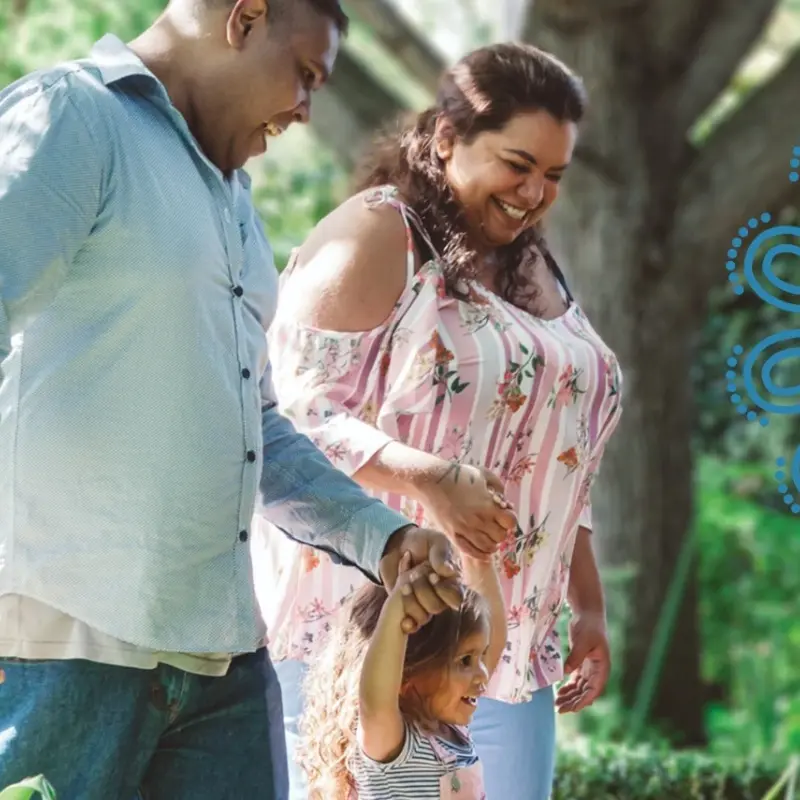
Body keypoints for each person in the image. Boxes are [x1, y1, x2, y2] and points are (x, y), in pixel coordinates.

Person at [0, 1, 473, 797]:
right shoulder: (73, 116)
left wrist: (386, 542)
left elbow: (253, 429)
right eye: (305, 74)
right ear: (245, 17)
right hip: (63, 644)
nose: (305, 108)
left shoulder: (234, 205)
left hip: (221, 656)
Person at [256, 41, 624, 799]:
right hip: (374, 643)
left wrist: (587, 604)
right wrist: (428, 479)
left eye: (553, 175)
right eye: (516, 164)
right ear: (449, 137)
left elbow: (559, 458)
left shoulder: (533, 266)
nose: (534, 193)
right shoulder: (378, 234)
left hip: (509, 654)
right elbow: (286, 415)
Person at [298, 546, 506, 800]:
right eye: (465, 660)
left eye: (480, 657)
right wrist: (399, 606)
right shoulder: (394, 742)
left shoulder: (451, 731)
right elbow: (374, 702)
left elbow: (492, 640)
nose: (483, 674)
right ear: (406, 672)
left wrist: (480, 561)